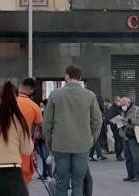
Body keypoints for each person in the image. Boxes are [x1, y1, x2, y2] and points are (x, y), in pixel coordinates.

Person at [43, 64, 103, 196]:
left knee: (61, 182)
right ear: (80, 77)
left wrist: (50, 143)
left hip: (60, 145)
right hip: (82, 145)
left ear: (66, 77)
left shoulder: (55, 95)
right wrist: (91, 139)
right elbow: (97, 121)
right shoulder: (90, 95)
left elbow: (46, 124)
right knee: (78, 183)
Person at [16, 78, 46, 183]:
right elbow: (40, 127)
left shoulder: (8, 104)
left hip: (7, 147)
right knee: (24, 181)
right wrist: (34, 138)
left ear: (20, 87)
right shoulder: (34, 106)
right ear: (31, 90)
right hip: (25, 146)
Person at [114, 97, 139, 182]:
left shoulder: (136, 109)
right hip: (125, 136)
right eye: (121, 105)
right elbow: (122, 122)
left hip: (133, 136)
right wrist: (118, 122)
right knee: (127, 157)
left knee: (135, 157)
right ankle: (130, 175)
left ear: (128, 102)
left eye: (123, 104)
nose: (122, 106)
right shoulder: (123, 111)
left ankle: (138, 176)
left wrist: (128, 120)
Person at [88, 96, 106, 162]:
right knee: (96, 140)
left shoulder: (93, 105)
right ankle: (99, 155)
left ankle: (91, 155)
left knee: (95, 140)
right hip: (96, 125)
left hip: (93, 125)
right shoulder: (99, 107)